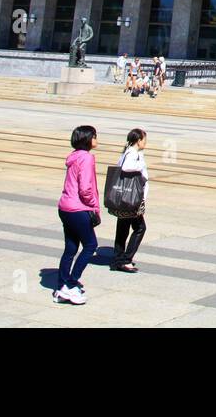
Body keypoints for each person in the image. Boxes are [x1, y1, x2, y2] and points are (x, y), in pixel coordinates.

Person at [55, 125, 100, 305]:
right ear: (88, 139)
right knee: (90, 245)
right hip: (78, 208)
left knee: (71, 248)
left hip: (65, 207)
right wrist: (93, 205)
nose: (97, 139)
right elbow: (85, 189)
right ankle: (70, 285)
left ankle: (61, 285)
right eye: (95, 136)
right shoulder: (87, 158)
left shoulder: (73, 157)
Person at [111, 128, 149, 273]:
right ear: (138, 141)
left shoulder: (127, 151)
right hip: (131, 199)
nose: (145, 143)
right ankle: (125, 260)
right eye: (144, 140)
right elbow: (127, 168)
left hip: (124, 197)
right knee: (140, 228)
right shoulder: (133, 153)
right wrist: (141, 168)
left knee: (122, 228)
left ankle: (118, 259)